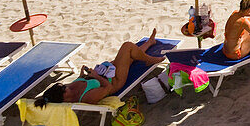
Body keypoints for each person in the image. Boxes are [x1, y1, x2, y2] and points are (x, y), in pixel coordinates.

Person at [35, 30, 167, 107]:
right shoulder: (86, 97)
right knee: (127, 47)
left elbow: (81, 81)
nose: (66, 87)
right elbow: (107, 89)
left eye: (64, 86)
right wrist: (96, 76)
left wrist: (82, 75)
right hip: (115, 81)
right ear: (64, 98)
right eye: (64, 89)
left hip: (106, 72)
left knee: (129, 55)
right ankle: (152, 60)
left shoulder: (69, 89)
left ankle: (150, 43)